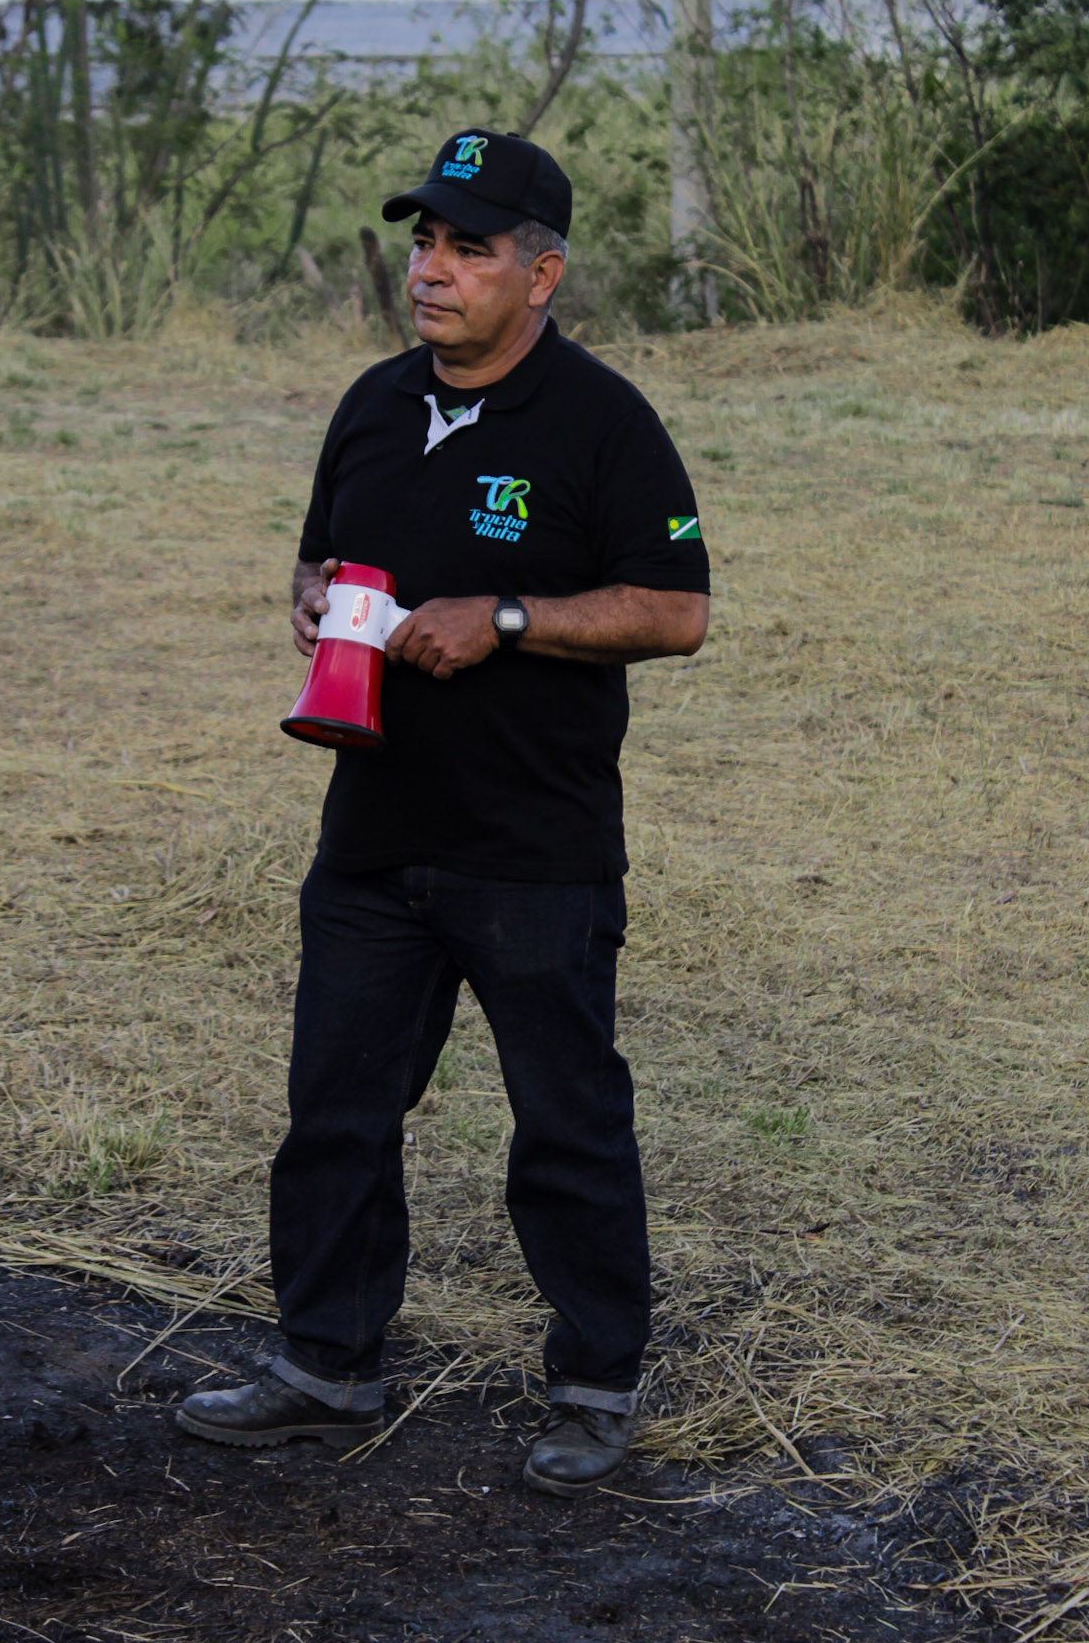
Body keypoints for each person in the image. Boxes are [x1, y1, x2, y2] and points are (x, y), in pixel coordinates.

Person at [178, 128, 709, 1496]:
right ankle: (324, 1366)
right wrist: (308, 605)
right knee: (336, 1109)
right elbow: (318, 560)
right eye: (424, 241)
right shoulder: (369, 403)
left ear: (541, 273)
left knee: (566, 1122)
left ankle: (595, 1386)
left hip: (532, 846)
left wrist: (511, 619)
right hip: (372, 831)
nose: (431, 269)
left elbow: (677, 610)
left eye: (468, 248)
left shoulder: (602, 423)